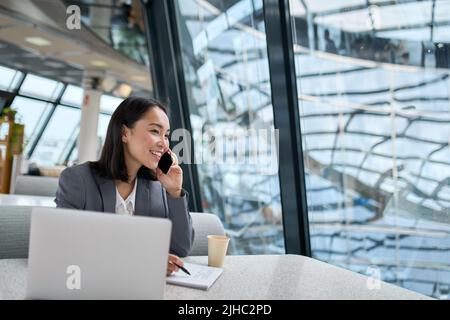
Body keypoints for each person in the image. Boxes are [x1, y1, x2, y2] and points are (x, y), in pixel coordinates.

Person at [55, 97, 194, 276]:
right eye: (155, 131)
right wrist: (145, 260)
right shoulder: (78, 180)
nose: (164, 143)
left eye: (166, 135)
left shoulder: (157, 188)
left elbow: (180, 248)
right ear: (124, 133)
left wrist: (174, 192)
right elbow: (65, 246)